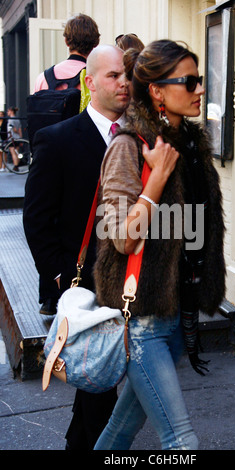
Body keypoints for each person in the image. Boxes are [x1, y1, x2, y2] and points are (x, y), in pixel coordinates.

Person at [93, 39, 226, 450]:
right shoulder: (129, 146)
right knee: (181, 441)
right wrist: (155, 181)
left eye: (200, 80)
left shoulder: (190, 143)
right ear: (157, 91)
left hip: (176, 315)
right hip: (143, 319)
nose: (200, 89)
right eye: (190, 81)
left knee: (119, 431)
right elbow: (121, 237)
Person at [23, 44, 131, 450]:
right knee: (100, 387)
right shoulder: (58, 140)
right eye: (112, 76)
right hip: (84, 286)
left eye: (127, 75)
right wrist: (60, 275)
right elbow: (36, 218)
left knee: (103, 388)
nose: (123, 83)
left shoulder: (140, 141)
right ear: (90, 82)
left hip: (134, 285)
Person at [33, 13, 100, 316]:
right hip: (82, 160)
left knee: (47, 224)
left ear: (66, 39)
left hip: (47, 159)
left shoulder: (45, 76)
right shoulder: (95, 74)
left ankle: (50, 295)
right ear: (95, 40)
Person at [7, 107, 22, 171]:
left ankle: (16, 166)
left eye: (8, 111)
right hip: (18, 138)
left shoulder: (11, 120)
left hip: (12, 138)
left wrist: (14, 132)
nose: (7, 113)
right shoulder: (17, 119)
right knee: (17, 152)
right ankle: (17, 165)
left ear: (11, 111)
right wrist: (21, 137)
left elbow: (14, 129)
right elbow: (20, 129)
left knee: (13, 153)